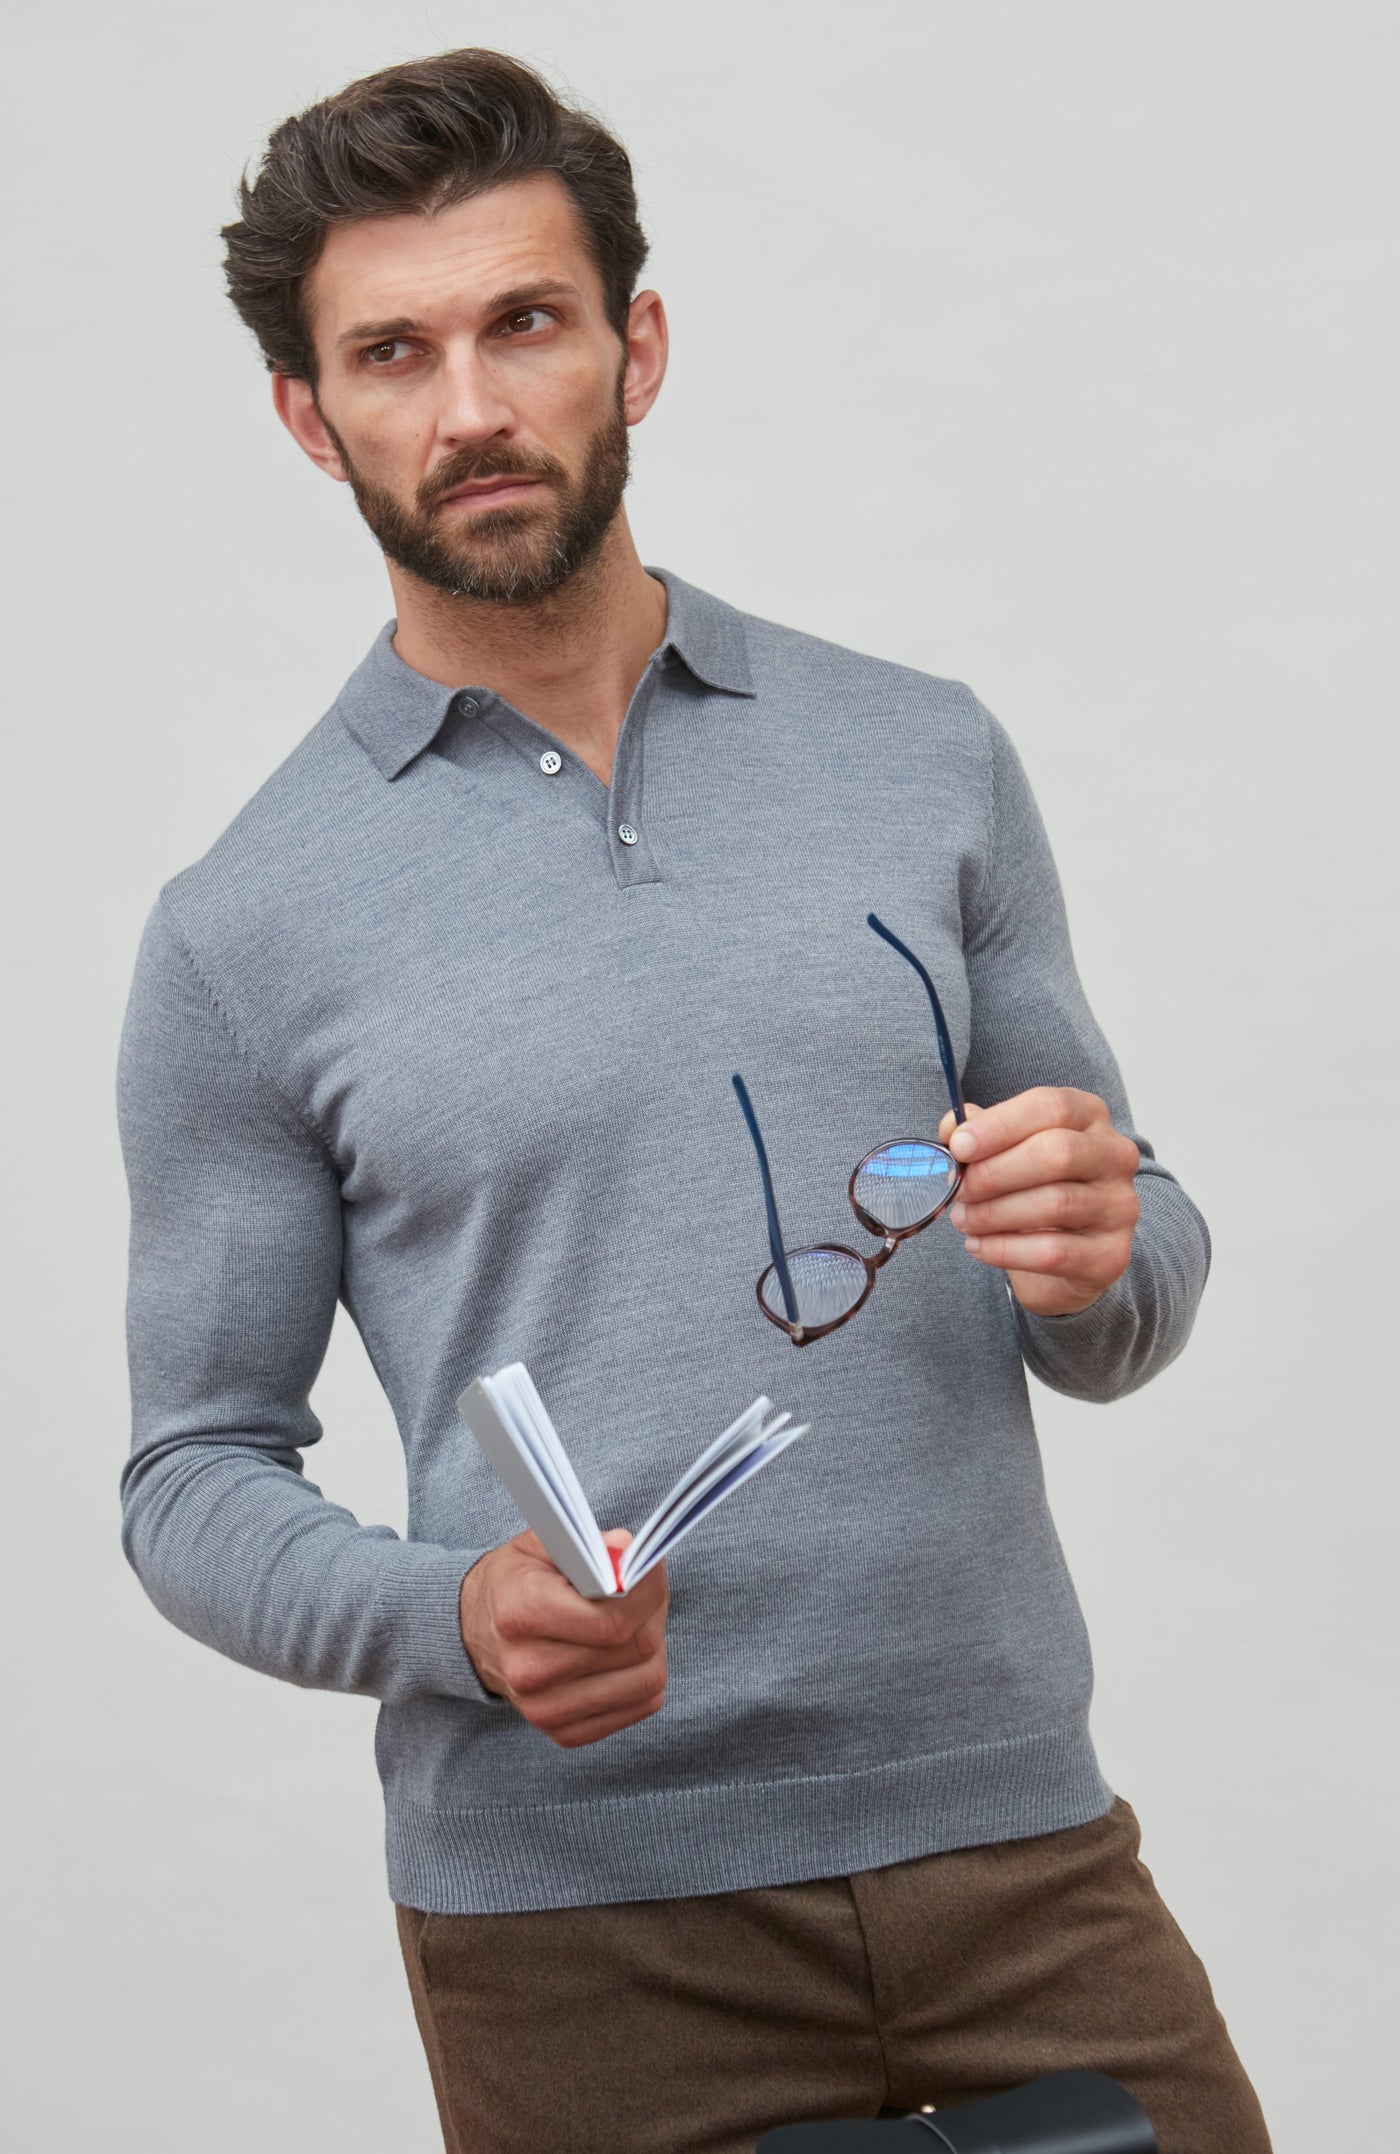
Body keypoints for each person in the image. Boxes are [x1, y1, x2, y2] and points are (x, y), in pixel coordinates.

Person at [117, 47, 1271, 2154]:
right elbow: (190, 1472)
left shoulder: (922, 755)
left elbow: (1122, 1278)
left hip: (1020, 1852)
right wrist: (450, 1617)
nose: (470, 408)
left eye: (524, 323)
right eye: (392, 353)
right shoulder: (239, 931)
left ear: (633, 348)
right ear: (309, 416)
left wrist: (1104, 1243)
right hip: (580, 1937)